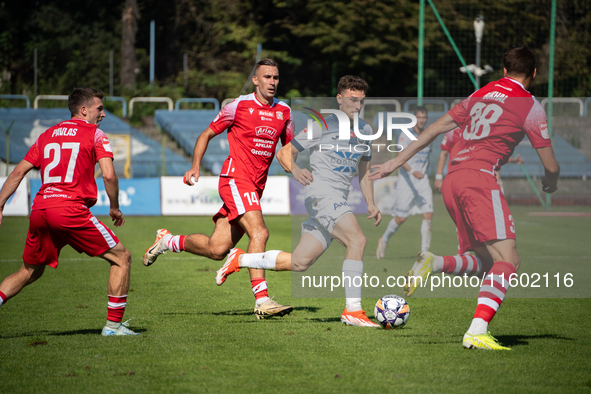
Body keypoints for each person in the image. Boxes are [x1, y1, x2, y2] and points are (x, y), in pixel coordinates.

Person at [369, 46, 560, 350]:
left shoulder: (480, 94)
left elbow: (434, 129)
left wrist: (393, 162)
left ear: (503, 70)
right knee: (509, 260)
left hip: (453, 180)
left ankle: (434, 261)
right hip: (480, 179)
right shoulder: (530, 105)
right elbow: (550, 165)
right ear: (534, 73)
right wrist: (550, 181)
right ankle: (477, 330)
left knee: (486, 261)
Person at [215, 75, 383, 327]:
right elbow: (285, 152)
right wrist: (296, 170)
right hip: (322, 194)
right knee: (357, 240)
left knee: (299, 262)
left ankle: (239, 259)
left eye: (361, 100)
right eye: (351, 100)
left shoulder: (366, 131)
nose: (357, 105)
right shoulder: (322, 125)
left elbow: (365, 171)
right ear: (339, 99)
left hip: (338, 198)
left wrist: (370, 203)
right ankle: (353, 311)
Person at [143, 59, 293, 319]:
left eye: (276, 77)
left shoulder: (284, 111)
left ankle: (167, 241)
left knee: (217, 249)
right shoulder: (237, 106)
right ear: (255, 80)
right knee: (260, 232)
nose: (272, 82)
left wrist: (302, 171)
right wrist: (195, 167)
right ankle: (263, 300)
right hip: (235, 178)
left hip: (255, 186)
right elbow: (205, 135)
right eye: (267, 77)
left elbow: (288, 151)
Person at [0, 88, 138, 336]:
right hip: (70, 210)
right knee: (122, 257)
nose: (103, 114)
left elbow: (18, 172)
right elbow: (108, 174)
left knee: (29, 271)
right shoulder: (95, 134)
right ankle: (113, 327)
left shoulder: (46, 135)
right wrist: (114, 207)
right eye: (99, 108)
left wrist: (0, 204)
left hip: (41, 210)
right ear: (84, 110)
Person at [376, 106, 433, 259]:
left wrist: (422, 171)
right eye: (419, 117)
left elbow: (428, 157)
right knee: (401, 217)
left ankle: (424, 252)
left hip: (422, 181)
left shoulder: (428, 135)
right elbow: (400, 156)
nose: (421, 120)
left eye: (424, 117)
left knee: (428, 214)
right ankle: (384, 239)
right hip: (407, 180)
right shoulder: (405, 134)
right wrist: (412, 171)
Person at [434, 127, 524, 193]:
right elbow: (443, 153)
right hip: (459, 178)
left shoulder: (482, 130)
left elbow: (491, 157)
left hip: (482, 178)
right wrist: (438, 177)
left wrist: (497, 179)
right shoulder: (452, 132)